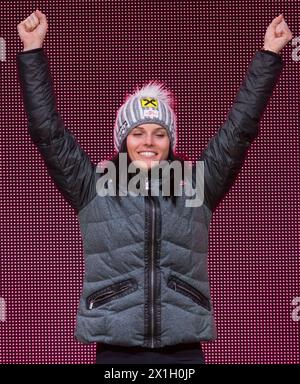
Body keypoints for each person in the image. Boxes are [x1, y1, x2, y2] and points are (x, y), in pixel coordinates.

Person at [16, 10, 293, 364]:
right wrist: (32, 49)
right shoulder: (93, 185)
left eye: (159, 133)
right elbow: (47, 132)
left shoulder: (197, 185)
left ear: (170, 142)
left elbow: (239, 131)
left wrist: (269, 53)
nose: (149, 141)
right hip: (116, 349)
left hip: (183, 349)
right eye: (138, 132)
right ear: (123, 141)